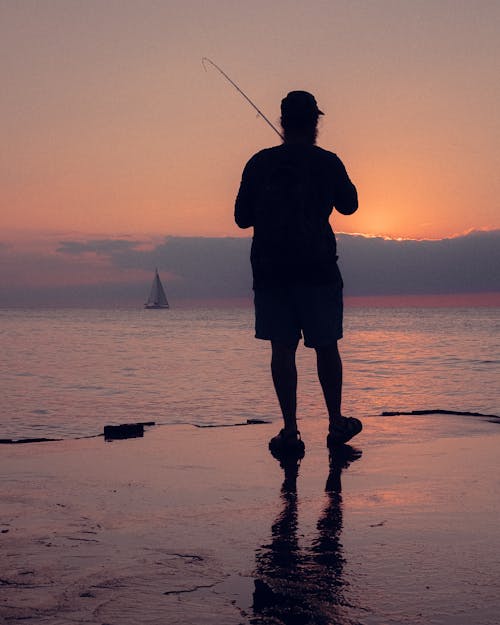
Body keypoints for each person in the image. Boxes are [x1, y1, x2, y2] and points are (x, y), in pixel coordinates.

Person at [234, 90, 362, 458]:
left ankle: (290, 431)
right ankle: (336, 423)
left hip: (271, 270)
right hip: (318, 268)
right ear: (315, 123)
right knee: (326, 346)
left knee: (282, 349)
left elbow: (242, 218)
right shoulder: (328, 161)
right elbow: (350, 205)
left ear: (282, 121)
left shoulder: (259, 163)